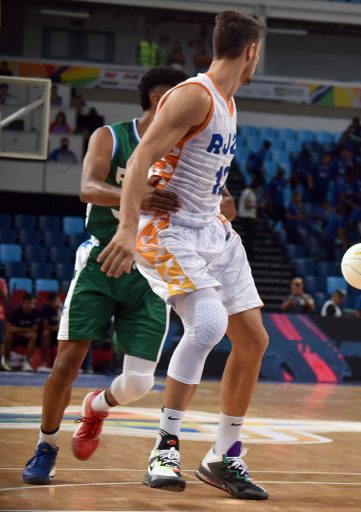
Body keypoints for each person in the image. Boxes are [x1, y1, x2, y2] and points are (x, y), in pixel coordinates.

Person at [97, 12, 270, 499]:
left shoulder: (229, 102)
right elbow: (137, 160)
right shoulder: (194, 94)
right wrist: (128, 229)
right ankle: (165, 447)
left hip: (211, 229)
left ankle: (222, 457)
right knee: (210, 324)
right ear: (252, 51)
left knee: (253, 340)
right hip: (168, 231)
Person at [20, 67, 192, 486]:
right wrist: (140, 196)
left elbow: (227, 205)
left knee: (137, 384)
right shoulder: (110, 137)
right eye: (182, 99)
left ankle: (97, 407)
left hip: (154, 268)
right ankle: (46, 445)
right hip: (102, 258)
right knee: (67, 361)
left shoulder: (189, 148)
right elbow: (88, 188)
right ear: (159, 100)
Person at [1, 293, 40, 372]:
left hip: (27, 338)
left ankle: (27, 363)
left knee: (33, 336)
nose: (31, 306)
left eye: (33, 303)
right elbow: (9, 329)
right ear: (23, 302)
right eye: (29, 303)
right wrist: (24, 332)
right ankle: (7, 361)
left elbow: (34, 329)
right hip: (16, 337)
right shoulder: (15, 312)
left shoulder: (36, 312)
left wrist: (16, 329)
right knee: (8, 336)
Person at [38, 293, 62, 371]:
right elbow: (45, 326)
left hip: (60, 333)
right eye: (56, 301)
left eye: (59, 301)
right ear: (50, 302)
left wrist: (59, 311)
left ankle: (62, 364)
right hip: (49, 333)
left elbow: (63, 325)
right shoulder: (46, 309)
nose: (58, 303)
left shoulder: (63, 309)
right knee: (46, 333)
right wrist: (56, 328)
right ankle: (44, 363)